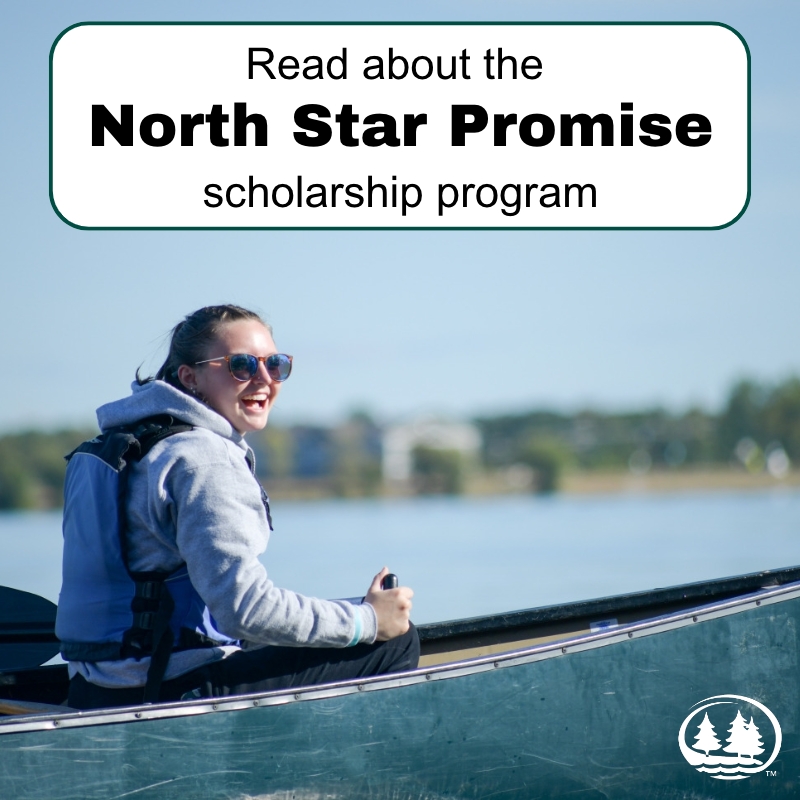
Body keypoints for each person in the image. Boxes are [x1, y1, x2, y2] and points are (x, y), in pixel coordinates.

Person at [57, 304, 418, 710]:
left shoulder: (120, 448)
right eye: (241, 366)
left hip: (94, 688)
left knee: (342, 623)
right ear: (189, 377)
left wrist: (354, 618)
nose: (264, 379)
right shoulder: (202, 458)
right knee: (395, 641)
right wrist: (368, 621)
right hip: (169, 690)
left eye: (276, 365)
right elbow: (244, 611)